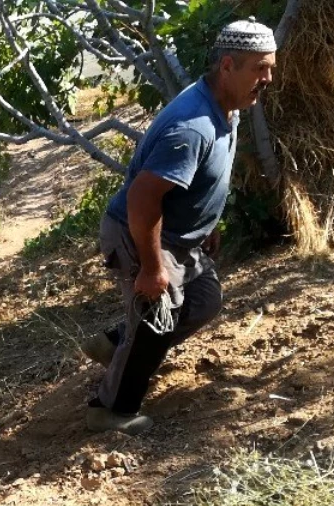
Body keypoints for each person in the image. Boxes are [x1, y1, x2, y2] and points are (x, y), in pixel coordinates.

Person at [82, 18, 277, 434]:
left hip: (177, 232)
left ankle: (116, 344)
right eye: (260, 68)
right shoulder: (193, 126)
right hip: (141, 231)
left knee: (204, 300)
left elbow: (202, 178)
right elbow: (142, 198)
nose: (268, 78)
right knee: (157, 317)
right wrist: (152, 269)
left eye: (271, 67)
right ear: (228, 65)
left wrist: (208, 221)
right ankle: (110, 409)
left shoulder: (228, 105)